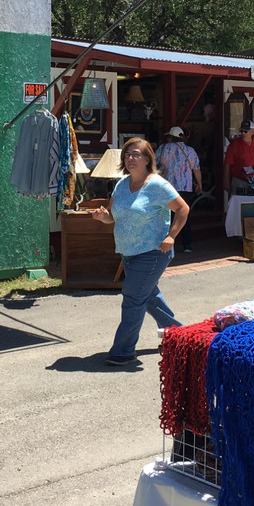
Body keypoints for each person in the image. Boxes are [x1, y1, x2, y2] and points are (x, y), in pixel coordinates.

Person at [90, 138, 188, 365]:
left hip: (153, 253)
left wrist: (171, 235)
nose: (130, 158)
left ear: (147, 159)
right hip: (128, 253)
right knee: (149, 297)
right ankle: (179, 334)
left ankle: (123, 351)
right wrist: (102, 216)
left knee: (133, 297)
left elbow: (183, 209)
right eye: (127, 155)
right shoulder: (122, 185)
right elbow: (112, 216)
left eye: (135, 154)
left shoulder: (157, 186)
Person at [155, 126, 202, 253]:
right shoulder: (190, 150)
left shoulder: (163, 148)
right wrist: (199, 184)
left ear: (171, 137)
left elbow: (154, 164)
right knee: (184, 214)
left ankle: (167, 244)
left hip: (166, 187)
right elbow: (196, 169)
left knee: (167, 215)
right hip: (185, 187)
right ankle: (187, 245)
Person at [223, 119, 254, 196]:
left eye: (245, 131)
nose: (243, 133)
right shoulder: (233, 145)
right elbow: (227, 164)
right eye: (241, 131)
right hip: (239, 181)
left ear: (252, 131)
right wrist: (226, 182)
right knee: (238, 205)